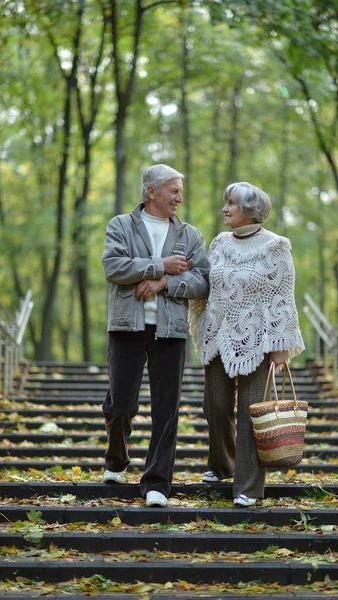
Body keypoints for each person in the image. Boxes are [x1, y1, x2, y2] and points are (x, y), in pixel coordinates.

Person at [101, 164, 209, 508]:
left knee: (167, 408)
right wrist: (159, 265)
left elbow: (204, 280)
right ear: (152, 192)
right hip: (125, 326)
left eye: (180, 190)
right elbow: (113, 267)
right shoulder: (121, 225)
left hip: (170, 331)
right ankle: (117, 458)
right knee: (121, 405)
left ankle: (157, 483)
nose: (180, 196)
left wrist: (165, 283)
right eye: (174, 190)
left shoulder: (190, 235)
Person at [190, 182, 304, 507]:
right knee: (216, 406)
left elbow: (282, 295)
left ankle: (248, 487)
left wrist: (281, 345)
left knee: (252, 412)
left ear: (250, 210)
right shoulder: (220, 243)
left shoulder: (276, 246)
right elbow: (210, 286)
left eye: (231, 204)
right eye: (225, 203)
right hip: (219, 336)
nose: (224, 209)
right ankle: (221, 464)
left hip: (260, 340)